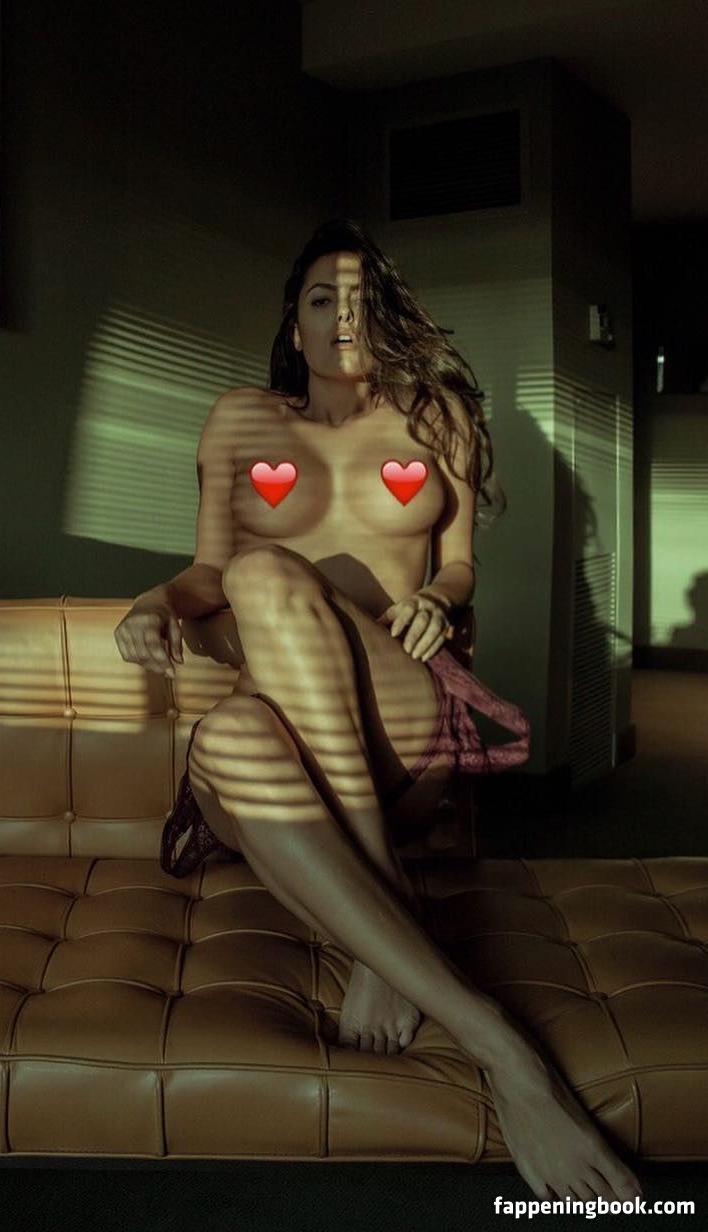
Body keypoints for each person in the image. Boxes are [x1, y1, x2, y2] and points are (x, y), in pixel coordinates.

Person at [113, 219, 643, 1204]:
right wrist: (154, 602)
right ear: (295, 324)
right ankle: (498, 1043)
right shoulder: (239, 419)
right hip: (279, 734)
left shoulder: (436, 416)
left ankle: (386, 922)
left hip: (398, 721)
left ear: (387, 316)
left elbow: (458, 563)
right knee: (228, 726)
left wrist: (438, 596)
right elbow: (207, 570)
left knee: (267, 577)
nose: (342, 316)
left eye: (361, 300)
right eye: (322, 298)